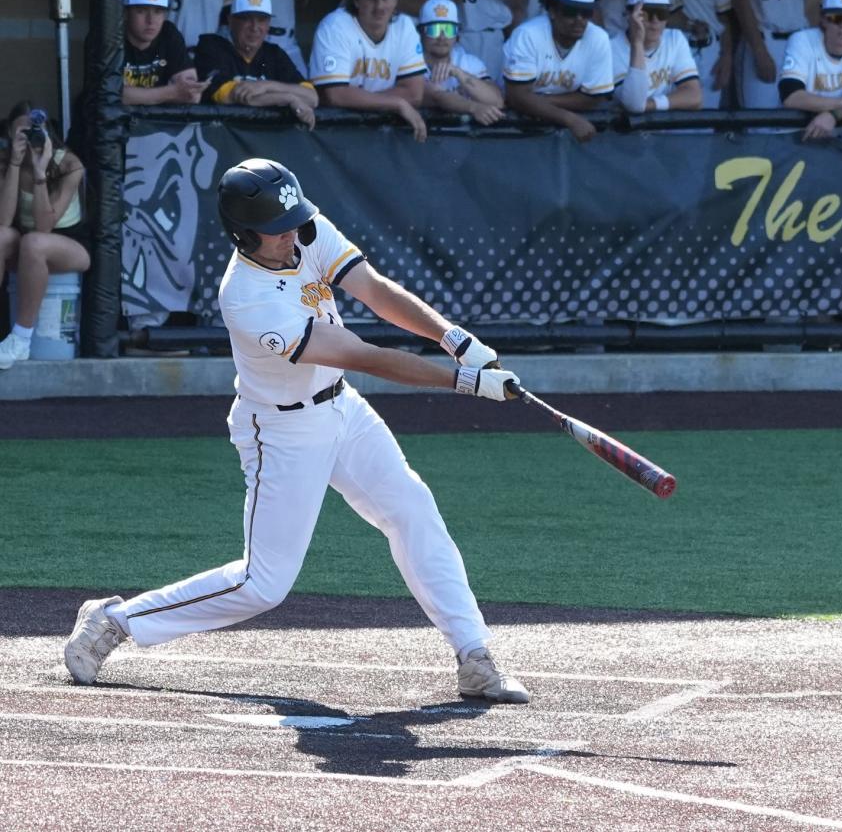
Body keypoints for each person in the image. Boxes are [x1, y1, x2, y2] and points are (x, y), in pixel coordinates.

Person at [63, 158, 530, 705]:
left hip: (343, 410)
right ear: (244, 233)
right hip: (282, 431)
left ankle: (473, 655)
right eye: (277, 228)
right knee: (263, 584)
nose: (292, 233)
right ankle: (115, 620)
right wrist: (467, 382)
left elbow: (374, 291)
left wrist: (453, 337)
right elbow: (363, 355)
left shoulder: (303, 229)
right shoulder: (248, 299)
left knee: (411, 506)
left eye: (295, 220)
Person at [0, 102, 88, 370]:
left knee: (34, 242)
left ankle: (21, 338)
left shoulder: (69, 164)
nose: (30, 140)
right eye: (22, 134)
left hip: (69, 246)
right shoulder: (6, 161)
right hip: (26, 247)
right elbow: (4, 221)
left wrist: (40, 173)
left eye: (34, 132)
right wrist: (15, 164)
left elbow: (43, 227)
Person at [309, 0, 429, 142]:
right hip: (335, 133)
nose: (379, 6)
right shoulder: (335, 26)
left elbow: (414, 93)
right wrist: (396, 103)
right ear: (356, 0)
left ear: (396, 0)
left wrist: (361, 101)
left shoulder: (404, 27)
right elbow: (335, 95)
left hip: (383, 132)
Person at [503, 0, 615, 142]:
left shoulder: (599, 38)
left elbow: (593, 97)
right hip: (516, 125)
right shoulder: (527, 35)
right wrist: (569, 119)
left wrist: (542, 101)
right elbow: (517, 97)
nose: (579, 19)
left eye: (586, 13)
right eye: (570, 11)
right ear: (552, 10)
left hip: (558, 125)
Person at [194, 0, 318, 128]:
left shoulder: (274, 53)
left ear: (269, 23)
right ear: (231, 20)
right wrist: (289, 98)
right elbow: (234, 96)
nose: (254, 27)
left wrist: (265, 86)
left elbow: (311, 97)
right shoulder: (211, 46)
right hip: (219, 140)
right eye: (246, 19)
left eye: (262, 20)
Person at [728, 0, 822, 108]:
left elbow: (811, 4)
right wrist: (760, 52)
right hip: (764, 39)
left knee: (799, 120)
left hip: (800, 43)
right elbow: (740, 0)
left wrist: (818, 52)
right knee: (758, 124)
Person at [779, 0, 842, 141]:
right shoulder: (802, 40)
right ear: (823, 19)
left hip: (839, 136)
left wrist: (833, 114)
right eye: (836, 18)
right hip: (796, 135)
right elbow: (790, 95)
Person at [428, 0, 526, 83]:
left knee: (496, 97)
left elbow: (519, 1)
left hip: (495, 38)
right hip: (458, 37)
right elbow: (439, 3)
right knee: (459, 94)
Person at [611, 0, 702, 114]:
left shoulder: (674, 39)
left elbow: (695, 97)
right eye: (646, 14)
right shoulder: (611, 49)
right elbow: (634, 102)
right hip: (623, 133)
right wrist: (637, 43)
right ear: (630, 14)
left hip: (660, 131)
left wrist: (650, 105)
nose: (655, 21)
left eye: (661, 13)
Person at [417, 0, 507, 124]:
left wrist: (460, 74)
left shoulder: (469, 63)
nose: (442, 37)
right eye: (434, 29)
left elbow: (497, 101)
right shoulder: (410, 61)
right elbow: (436, 97)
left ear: (457, 34)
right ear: (421, 32)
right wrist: (474, 108)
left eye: (449, 30)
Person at [121, 0, 210, 105]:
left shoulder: (168, 33)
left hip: (157, 123)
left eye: (158, 12)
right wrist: (172, 92)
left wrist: (137, 95)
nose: (150, 20)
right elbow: (110, 94)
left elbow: (192, 95)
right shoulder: (112, 37)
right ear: (125, 13)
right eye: (141, 10)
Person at [666, 0, 731, 109]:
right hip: (671, 45)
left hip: (709, 46)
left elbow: (723, 14)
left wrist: (727, 56)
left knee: (705, 122)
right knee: (669, 123)